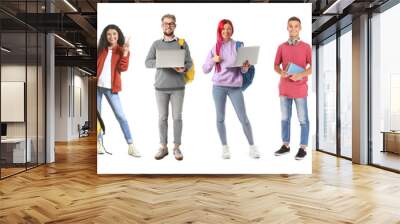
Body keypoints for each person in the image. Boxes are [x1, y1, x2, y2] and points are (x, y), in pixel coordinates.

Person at [202, 19, 260, 159]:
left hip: (235, 87)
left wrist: (245, 68)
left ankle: (252, 147)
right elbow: (204, 69)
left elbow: (245, 71)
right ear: (219, 31)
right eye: (223, 29)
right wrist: (213, 60)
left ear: (232, 30)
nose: (226, 31)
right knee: (220, 118)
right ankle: (225, 148)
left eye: (229, 29)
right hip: (218, 87)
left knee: (243, 118)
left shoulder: (238, 46)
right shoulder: (215, 48)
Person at [145, 14, 192, 161]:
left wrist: (183, 68)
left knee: (177, 118)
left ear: (175, 26)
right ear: (162, 26)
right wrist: (162, 62)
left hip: (178, 87)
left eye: (171, 24)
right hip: (160, 87)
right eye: (166, 24)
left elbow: (189, 63)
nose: (168, 26)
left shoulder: (182, 43)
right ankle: (163, 147)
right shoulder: (155, 44)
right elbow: (147, 62)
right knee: (162, 118)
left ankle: (177, 147)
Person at [97, 24, 140, 157]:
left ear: (118, 35)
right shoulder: (101, 50)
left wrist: (125, 53)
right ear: (105, 36)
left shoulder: (121, 50)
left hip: (112, 88)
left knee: (121, 116)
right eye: (109, 34)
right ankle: (99, 143)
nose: (112, 37)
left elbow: (123, 68)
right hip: (97, 87)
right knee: (97, 117)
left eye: (114, 34)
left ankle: (131, 145)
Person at [273, 16, 312, 160]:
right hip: (284, 88)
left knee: (303, 119)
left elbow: (312, 67)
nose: (293, 29)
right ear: (287, 28)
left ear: (300, 28)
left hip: (300, 89)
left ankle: (303, 148)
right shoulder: (281, 47)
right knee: (285, 118)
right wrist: (281, 72)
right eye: (291, 26)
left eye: (296, 26)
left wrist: (300, 74)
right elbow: (275, 65)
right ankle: (285, 145)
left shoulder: (306, 47)